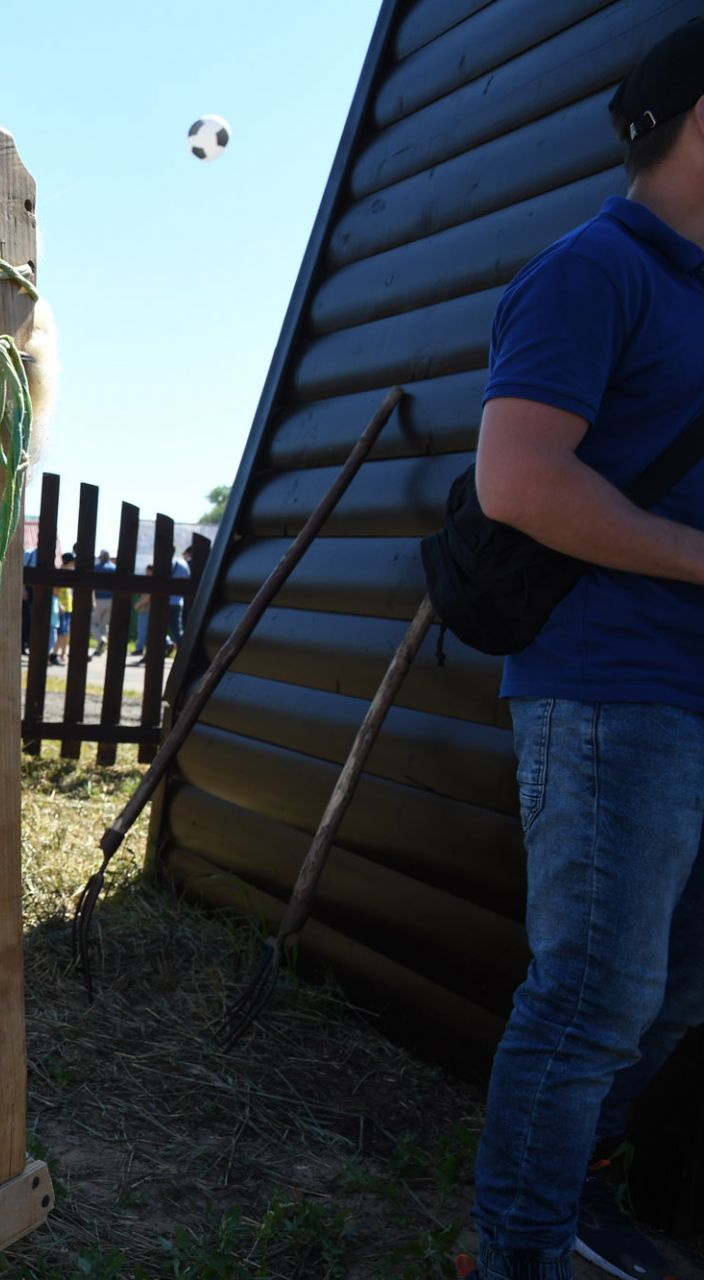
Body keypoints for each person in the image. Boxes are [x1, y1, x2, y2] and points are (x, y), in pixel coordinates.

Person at [464, 24, 704, 1280]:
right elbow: (516, 481)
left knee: (667, 998)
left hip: (690, 696)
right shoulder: (593, 269)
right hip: (613, 689)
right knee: (595, 994)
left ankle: (574, 1209)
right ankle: (516, 1250)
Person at [90, 548, 116, 655]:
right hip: (111, 600)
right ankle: (99, 649)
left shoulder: (97, 568)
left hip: (99, 599)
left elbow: (92, 585)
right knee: (104, 625)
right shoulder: (114, 568)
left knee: (91, 623)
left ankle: (101, 639)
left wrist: (93, 600)